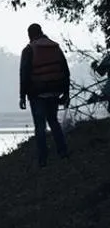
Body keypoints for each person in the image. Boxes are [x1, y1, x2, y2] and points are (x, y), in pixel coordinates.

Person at [20, 23, 71, 167]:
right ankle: (63, 152)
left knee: (40, 126)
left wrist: (22, 96)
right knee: (54, 122)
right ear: (41, 32)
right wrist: (66, 93)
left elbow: (24, 74)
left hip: (37, 94)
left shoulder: (29, 50)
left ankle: (43, 159)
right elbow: (65, 71)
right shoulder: (55, 47)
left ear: (30, 35)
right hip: (55, 92)